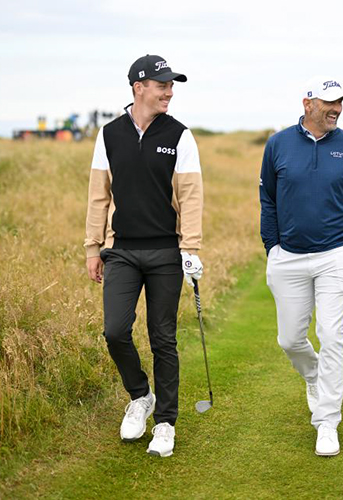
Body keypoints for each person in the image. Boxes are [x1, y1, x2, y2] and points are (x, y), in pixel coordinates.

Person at [84, 54, 204, 458]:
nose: (169, 92)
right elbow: (98, 195)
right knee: (114, 331)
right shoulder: (110, 135)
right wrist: (92, 247)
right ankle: (140, 396)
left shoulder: (180, 135)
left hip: (166, 251)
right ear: (139, 87)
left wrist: (191, 248)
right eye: (162, 85)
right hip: (121, 250)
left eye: (172, 85)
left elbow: (190, 196)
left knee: (162, 337)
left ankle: (165, 423)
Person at [259, 76, 343, 457]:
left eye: (341, 102)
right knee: (290, 340)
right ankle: (314, 376)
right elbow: (268, 199)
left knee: (331, 334)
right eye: (329, 102)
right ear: (307, 103)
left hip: (337, 255)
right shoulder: (278, 144)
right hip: (288, 257)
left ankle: (327, 422)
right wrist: (272, 246)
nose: (336, 109)